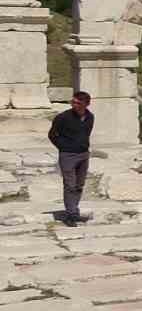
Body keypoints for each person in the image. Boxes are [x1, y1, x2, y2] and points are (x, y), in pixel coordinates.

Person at [48, 91, 95, 226]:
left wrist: (82, 146)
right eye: (73, 102)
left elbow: (86, 134)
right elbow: (52, 135)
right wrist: (63, 147)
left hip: (84, 154)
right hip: (68, 155)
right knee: (70, 185)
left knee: (79, 185)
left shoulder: (90, 117)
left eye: (78, 103)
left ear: (86, 104)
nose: (74, 105)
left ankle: (74, 211)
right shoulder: (62, 117)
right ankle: (70, 214)